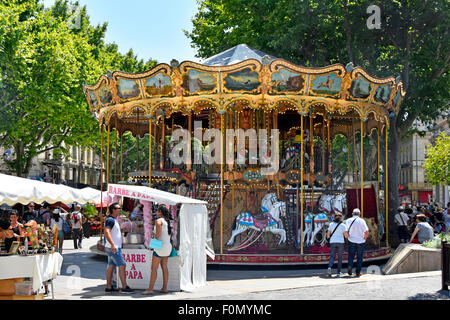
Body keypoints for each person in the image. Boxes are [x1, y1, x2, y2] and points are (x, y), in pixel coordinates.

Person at [143, 205, 173, 295]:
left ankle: (150, 289)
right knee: (164, 266)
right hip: (168, 246)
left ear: (160, 212)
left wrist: (153, 234)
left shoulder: (158, 221)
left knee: (154, 268)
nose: (155, 212)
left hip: (160, 246)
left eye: (157, 210)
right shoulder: (168, 221)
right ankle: (164, 288)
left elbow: (157, 236)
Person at [104, 203, 133, 293]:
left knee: (111, 266)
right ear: (113, 210)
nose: (120, 209)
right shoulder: (110, 220)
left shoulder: (114, 220)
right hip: (114, 247)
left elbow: (112, 232)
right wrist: (113, 244)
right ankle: (124, 287)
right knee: (122, 265)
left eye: (120, 208)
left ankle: (108, 287)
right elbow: (106, 232)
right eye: (118, 208)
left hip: (112, 247)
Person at [346, 208, 369, 277]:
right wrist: (365, 238)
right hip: (360, 241)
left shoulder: (348, 220)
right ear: (359, 214)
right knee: (359, 257)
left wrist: (347, 238)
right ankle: (358, 272)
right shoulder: (362, 221)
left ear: (352, 214)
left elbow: (346, 231)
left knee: (351, 255)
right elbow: (366, 231)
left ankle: (350, 266)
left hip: (351, 240)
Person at [326, 212, 348, 277]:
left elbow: (328, 235)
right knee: (340, 257)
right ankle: (339, 272)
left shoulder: (331, 224)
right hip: (340, 242)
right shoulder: (343, 225)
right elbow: (346, 236)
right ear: (341, 218)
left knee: (332, 256)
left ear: (334, 217)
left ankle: (329, 267)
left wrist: (330, 238)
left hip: (333, 242)